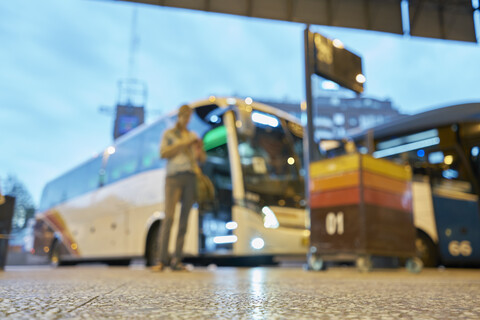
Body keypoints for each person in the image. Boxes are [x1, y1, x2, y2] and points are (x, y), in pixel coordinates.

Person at [152, 104, 205, 271]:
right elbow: (163, 153)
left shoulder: (192, 135)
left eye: (189, 117)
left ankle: (177, 260)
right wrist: (184, 144)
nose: (187, 119)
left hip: (190, 177)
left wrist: (199, 148)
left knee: (185, 219)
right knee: (169, 217)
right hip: (173, 178)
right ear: (179, 116)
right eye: (185, 116)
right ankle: (161, 260)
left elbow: (201, 159)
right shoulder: (169, 134)